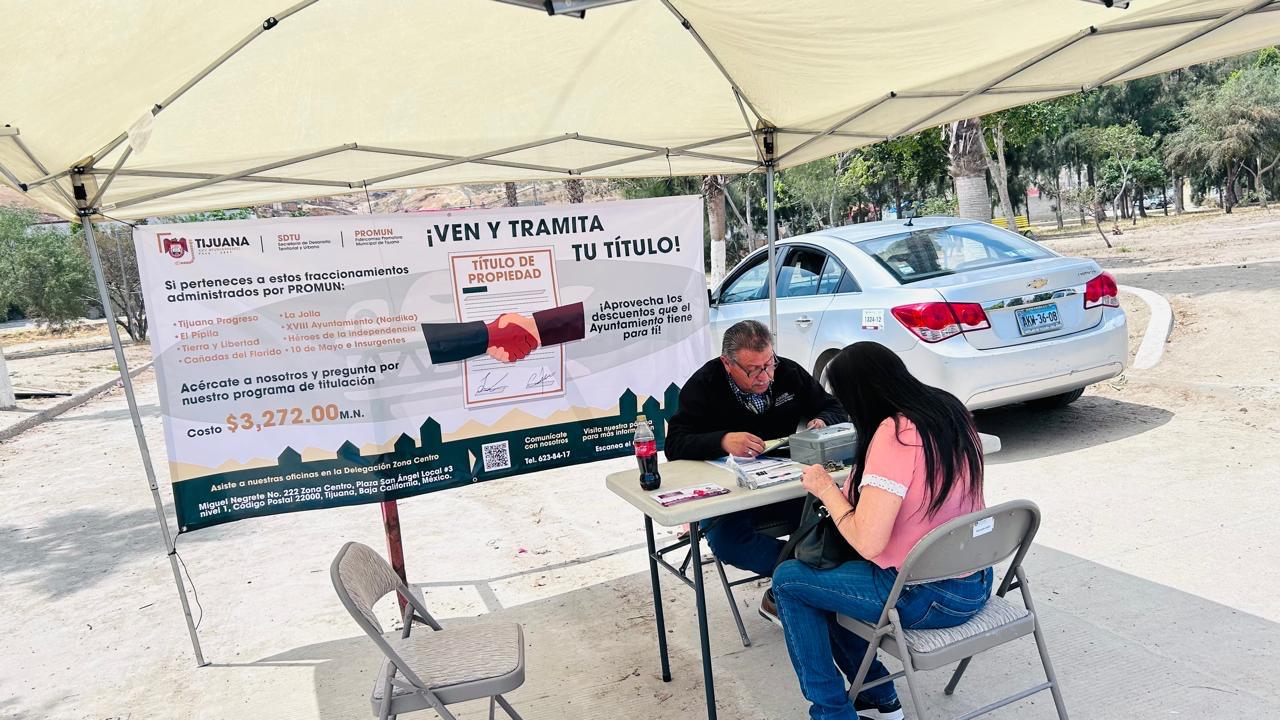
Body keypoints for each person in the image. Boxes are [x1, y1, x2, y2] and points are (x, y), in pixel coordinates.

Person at [773, 341, 990, 720]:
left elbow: (868, 541)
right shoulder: (948, 408)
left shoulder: (895, 433)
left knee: (790, 580)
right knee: (827, 583)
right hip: (976, 579)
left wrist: (826, 489)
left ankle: (831, 713)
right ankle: (879, 697)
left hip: (927, 595)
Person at [665, 320, 846, 625]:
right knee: (728, 542)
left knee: (836, 518)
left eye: (768, 364)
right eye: (753, 370)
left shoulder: (787, 372)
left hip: (785, 484)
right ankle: (801, 578)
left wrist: (823, 421)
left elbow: (834, 407)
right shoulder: (705, 384)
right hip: (730, 493)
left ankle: (795, 586)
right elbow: (675, 444)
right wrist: (722, 440)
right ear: (727, 363)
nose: (765, 376)